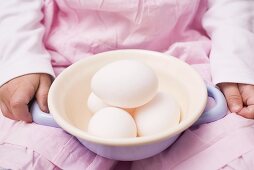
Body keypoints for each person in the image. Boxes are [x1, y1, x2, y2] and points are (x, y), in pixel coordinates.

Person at [0, 0, 253, 169]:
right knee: (23, 158)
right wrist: (21, 60)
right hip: (65, 61)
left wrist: (236, 61)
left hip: (188, 58)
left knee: (238, 154)